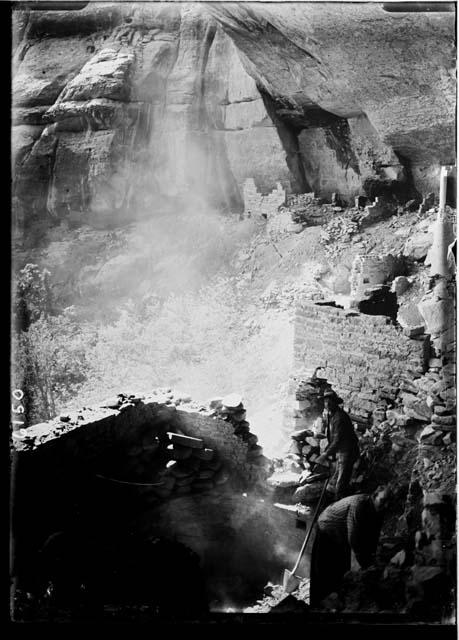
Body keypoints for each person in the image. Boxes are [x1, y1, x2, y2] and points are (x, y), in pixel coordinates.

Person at [309, 486, 390, 608]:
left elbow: (374, 534)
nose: (386, 505)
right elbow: (354, 538)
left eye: (389, 501)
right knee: (323, 568)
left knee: (342, 567)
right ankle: (317, 604)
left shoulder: (380, 510)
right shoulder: (359, 505)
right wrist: (366, 564)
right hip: (327, 526)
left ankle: (337, 600)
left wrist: (372, 556)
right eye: (383, 500)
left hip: (341, 533)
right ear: (374, 496)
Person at [315, 390, 360, 500]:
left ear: (335, 403)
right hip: (342, 451)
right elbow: (332, 437)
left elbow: (337, 440)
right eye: (326, 402)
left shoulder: (339, 417)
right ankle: (332, 503)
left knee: (341, 484)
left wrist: (325, 454)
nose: (327, 404)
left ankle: (338, 508)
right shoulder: (332, 415)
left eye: (330, 402)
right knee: (335, 480)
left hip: (348, 451)